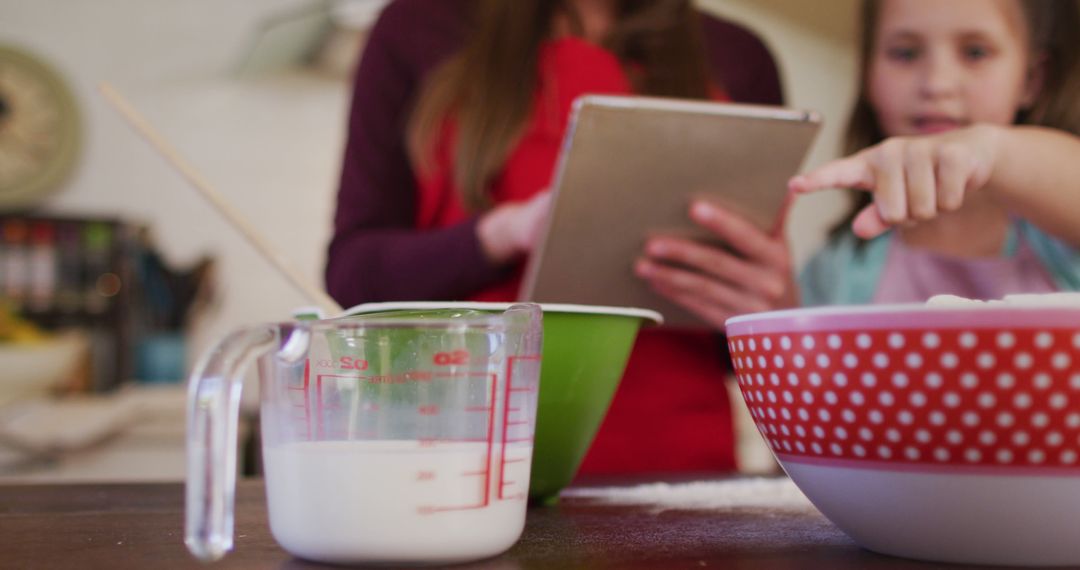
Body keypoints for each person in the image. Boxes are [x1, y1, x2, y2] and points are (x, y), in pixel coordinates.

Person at [325, 0, 787, 473]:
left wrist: (774, 316)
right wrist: (500, 233)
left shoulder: (739, 57)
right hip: (454, 466)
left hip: (681, 476)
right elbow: (353, 275)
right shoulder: (417, 25)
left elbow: (745, 353)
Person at [787, 0, 1080, 305]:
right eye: (905, 53)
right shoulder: (841, 267)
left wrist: (991, 149)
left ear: (1033, 80)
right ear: (868, 74)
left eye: (975, 52)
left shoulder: (1059, 237)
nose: (936, 84)